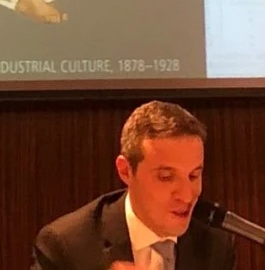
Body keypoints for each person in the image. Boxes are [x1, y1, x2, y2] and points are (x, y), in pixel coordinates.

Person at [30, 101, 236, 270]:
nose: (187, 196)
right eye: (166, 177)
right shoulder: (67, 245)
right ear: (126, 171)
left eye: (193, 175)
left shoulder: (215, 243)